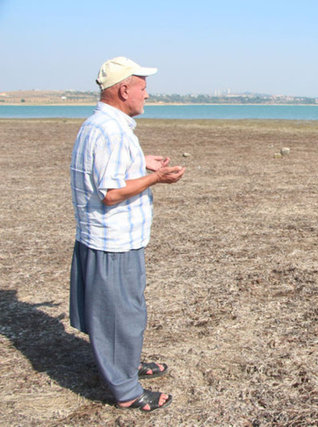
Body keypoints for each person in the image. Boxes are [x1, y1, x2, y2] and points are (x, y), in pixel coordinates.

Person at [69, 57, 185, 412]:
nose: (146, 94)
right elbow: (111, 193)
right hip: (112, 242)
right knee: (120, 316)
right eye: (143, 88)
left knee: (124, 310)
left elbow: (106, 171)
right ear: (123, 90)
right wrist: (155, 178)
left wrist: (140, 162)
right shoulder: (111, 131)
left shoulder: (102, 125)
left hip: (112, 240)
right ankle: (127, 391)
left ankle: (126, 364)